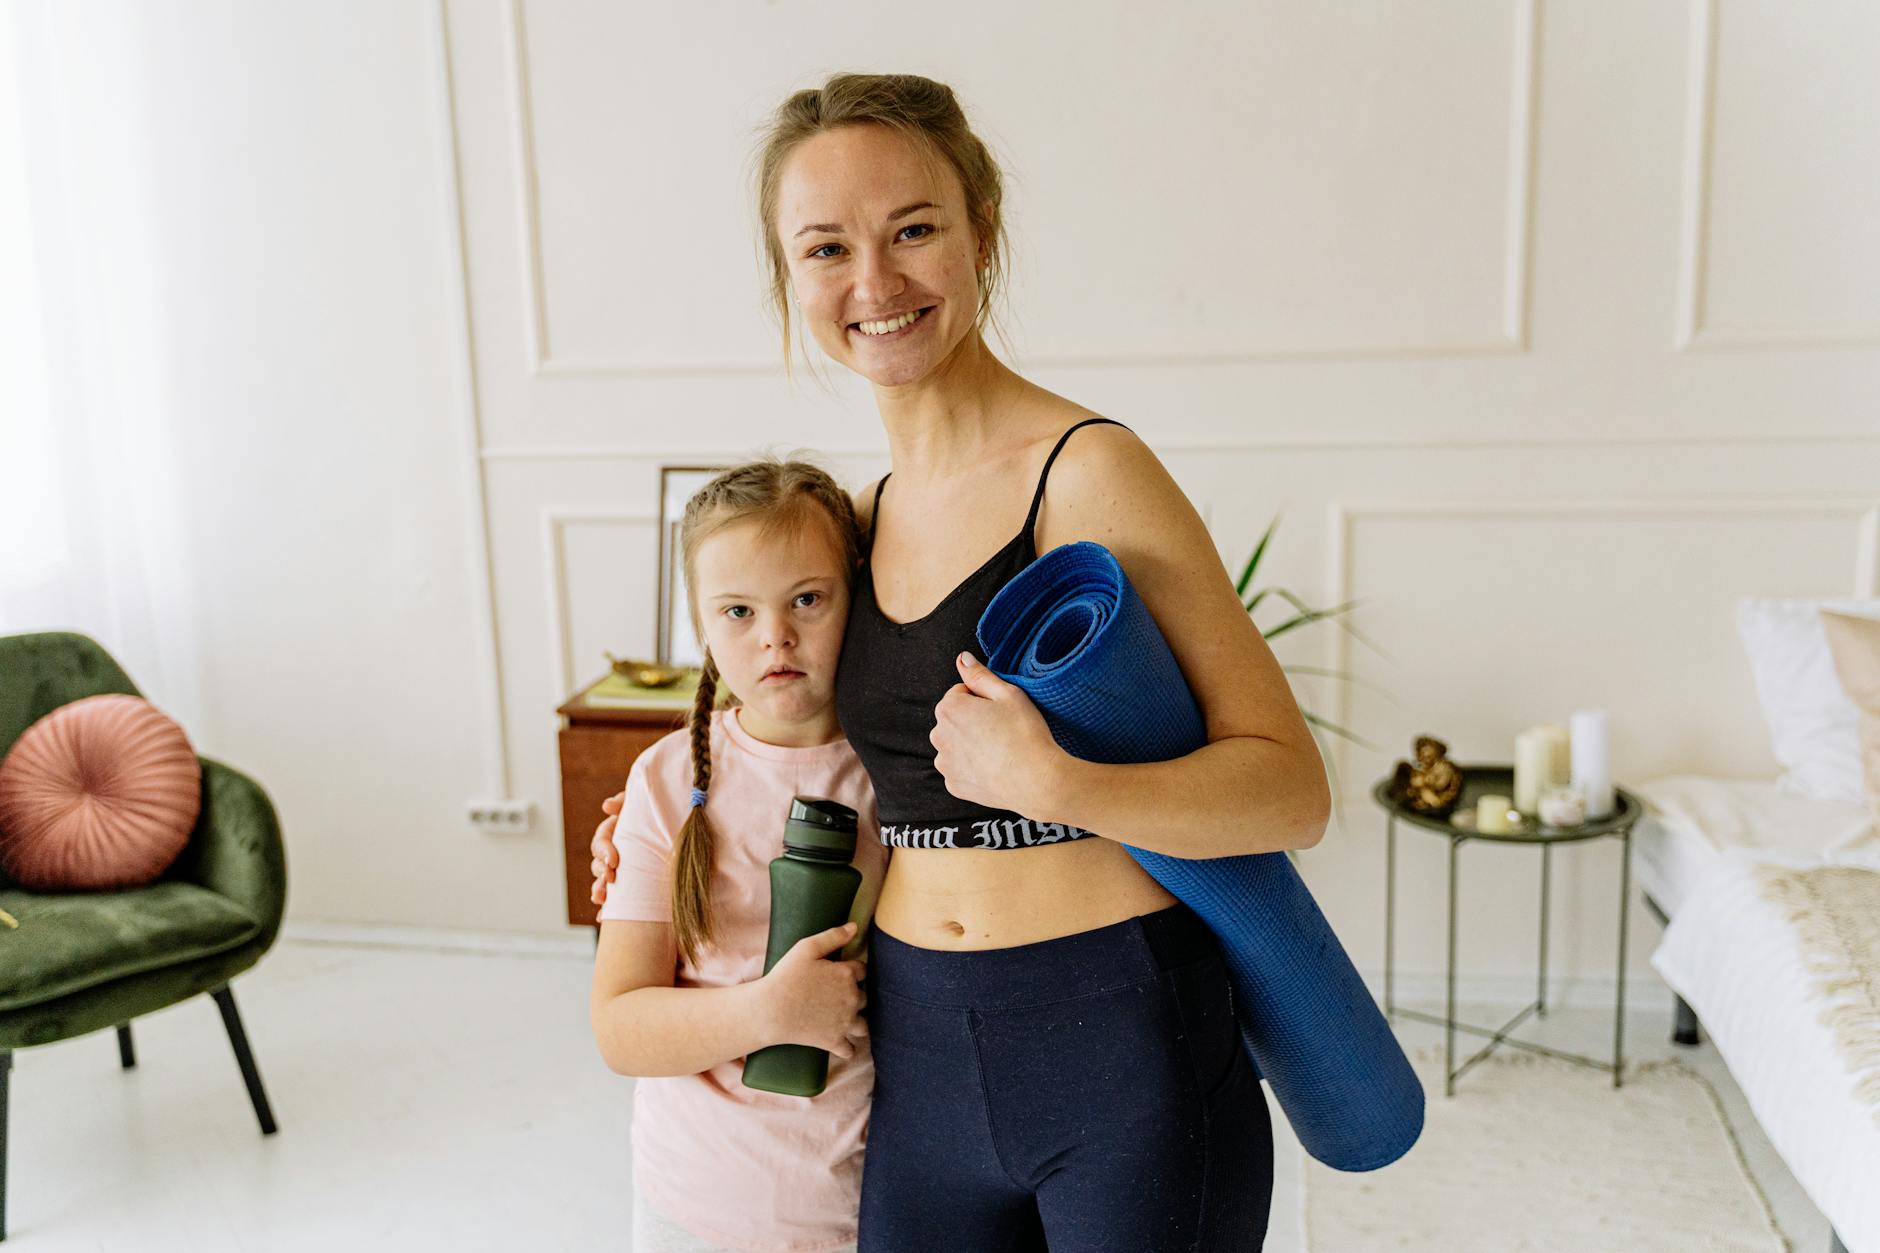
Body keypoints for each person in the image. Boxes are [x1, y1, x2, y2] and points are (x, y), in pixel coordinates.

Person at [593, 73, 1331, 1251]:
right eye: (826, 247)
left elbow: (1289, 788)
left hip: (1116, 1044)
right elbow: (794, 732)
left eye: (914, 230)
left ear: (981, 229)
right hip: (920, 1067)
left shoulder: (1084, 472)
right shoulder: (856, 518)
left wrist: (1063, 782)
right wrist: (667, 820)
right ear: (789, 277)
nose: (874, 284)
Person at [589, 459, 886, 1253]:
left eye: (808, 599)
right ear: (702, 625)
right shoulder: (667, 780)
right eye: (738, 610)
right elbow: (620, 1025)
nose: (775, 635)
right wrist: (767, 1010)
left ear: (858, 596)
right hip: (696, 1201)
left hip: (863, 1203)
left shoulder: (901, 772)